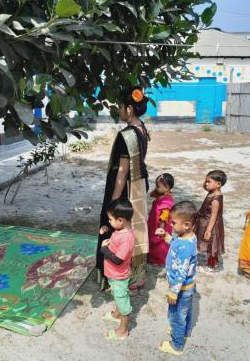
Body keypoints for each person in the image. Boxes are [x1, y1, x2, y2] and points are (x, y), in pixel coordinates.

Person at [97, 86, 150, 291]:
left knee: (115, 225)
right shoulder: (142, 128)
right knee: (135, 227)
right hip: (138, 183)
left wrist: (113, 201)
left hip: (125, 186)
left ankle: (113, 274)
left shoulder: (126, 135)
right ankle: (136, 273)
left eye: (120, 107)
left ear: (129, 109)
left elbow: (122, 171)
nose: (118, 110)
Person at [159, 201, 198, 356]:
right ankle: (183, 332)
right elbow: (176, 243)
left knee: (177, 316)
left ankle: (176, 345)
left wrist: (174, 292)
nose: (171, 224)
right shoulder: (187, 238)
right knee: (185, 313)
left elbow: (181, 272)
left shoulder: (185, 246)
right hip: (188, 286)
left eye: (174, 222)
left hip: (180, 288)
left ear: (187, 224)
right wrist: (167, 237)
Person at [100, 199, 135, 340]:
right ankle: (116, 314)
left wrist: (104, 249)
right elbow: (115, 239)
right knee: (116, 295)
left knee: (123, 303)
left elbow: (118, 259)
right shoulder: (120, 229)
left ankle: (122, 330)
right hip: (113, 274)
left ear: (121, 220)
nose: (109, 222)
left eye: (110, 220)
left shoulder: (126, 238)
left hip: (119, 276)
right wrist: (107, 229)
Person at [195, 170, 227, 274]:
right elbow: (205, 187)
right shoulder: (211, 192)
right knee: (207, 243)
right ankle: (210, 261)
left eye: (208, 181)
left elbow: (214, 215)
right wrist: (206, 181)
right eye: (206, 181)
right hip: (204, 221)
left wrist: (209, 230)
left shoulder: (216, 199)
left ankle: (212, 266)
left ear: (218, 184)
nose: (206, 183)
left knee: (212, 245)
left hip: (211, 224)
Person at [148, 173, 175, 266]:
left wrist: (161, 228)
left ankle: (159, 260)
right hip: (153, 222)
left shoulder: (167, 202)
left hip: (159, 225)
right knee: (152, 239)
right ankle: (152, 256)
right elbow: (153, 195)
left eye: (158, 186)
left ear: (166, 188)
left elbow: (164, 216)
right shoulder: (161, 194)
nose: (156, 187)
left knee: (159, 242)